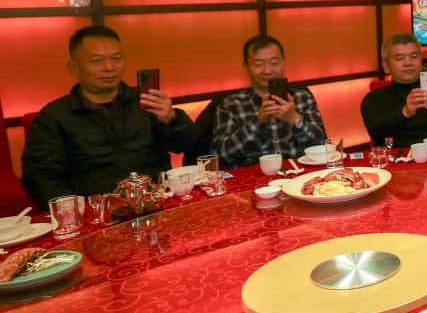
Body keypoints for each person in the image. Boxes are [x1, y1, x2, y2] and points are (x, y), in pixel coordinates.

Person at [20, 25, 195, 205]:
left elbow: (187, 145)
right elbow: (42, 178)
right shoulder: (53, 117)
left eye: (116, 59)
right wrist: (76, 211)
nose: (110, 67)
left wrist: (170, 119)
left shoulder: (146, 101)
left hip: (158, 201)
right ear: (74, 68)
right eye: (97, 61)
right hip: (97, 211)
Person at [211, 35, 327, 168]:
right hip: (253, 181)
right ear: (246, 66)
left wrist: (294, 118)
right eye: (258, 64)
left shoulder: (302, 97)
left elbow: (322, 146)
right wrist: (258, 121)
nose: (267, 70)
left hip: (298, 177)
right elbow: (222, 155)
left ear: (284, 62)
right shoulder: (230, 105)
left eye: (274, 63)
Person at [360, 32, 427, 147]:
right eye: (399, 58)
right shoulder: (374, 99)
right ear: (386, 65)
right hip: (395, 160)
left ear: (421, 61)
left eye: (414, 57)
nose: (408, 63)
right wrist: (405, 113)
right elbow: (375, 133)